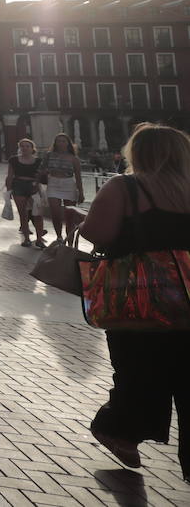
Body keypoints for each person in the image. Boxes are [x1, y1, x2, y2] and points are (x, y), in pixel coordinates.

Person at [81, 123, 190, 482]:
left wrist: (79, 222)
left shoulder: (124, 188)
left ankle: (120, 431)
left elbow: (97, 234)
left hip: (138, 305)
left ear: (138, 154)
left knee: (139, 375)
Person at [42, 133, 84, 247]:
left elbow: (78, 177)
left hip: (68, 184)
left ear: (68, 143)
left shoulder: (74, 158)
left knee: (69, 215)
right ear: (55, 143)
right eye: (59, 141)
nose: (61, 143)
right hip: (53, 183)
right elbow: (41, 169)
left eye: (63, 141)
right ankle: (59, 236)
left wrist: (81, 192)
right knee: (55, 213)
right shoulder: (49, 155)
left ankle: (69, 240)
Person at [5, 139, 46, 247]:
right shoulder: (13, 160)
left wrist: (38, 187)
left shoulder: (39, 161)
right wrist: (8, 190)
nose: (25, 148)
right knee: (23, 213)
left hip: (34, 186)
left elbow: (41, 176)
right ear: (19, 148)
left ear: (32, 148)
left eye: (27, 146)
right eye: (22, 146)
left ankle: (39, 239)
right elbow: (10, 176)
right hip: (18, 185)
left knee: (38, 214)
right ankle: (26, 239)